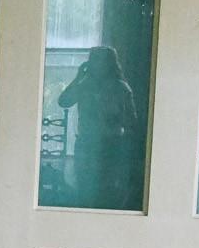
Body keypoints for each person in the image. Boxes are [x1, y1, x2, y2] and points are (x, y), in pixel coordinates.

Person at [57, 45, 140, 206]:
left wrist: (114, 118)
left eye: (100, 61)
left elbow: (131, 121)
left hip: (110, 145)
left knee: (107, 190)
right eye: (93, 61)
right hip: (86, 144)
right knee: (85, 188)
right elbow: (64, 101)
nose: (96, 65)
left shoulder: (120, 88)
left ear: (109, 64)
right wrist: (78, 77)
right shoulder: (84, 86)